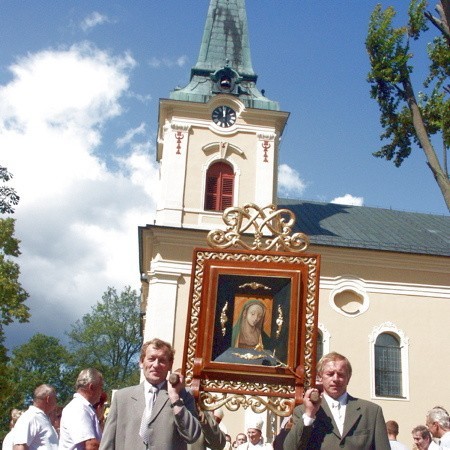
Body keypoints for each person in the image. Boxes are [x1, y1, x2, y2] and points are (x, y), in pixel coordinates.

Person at [99, 337, 201, 449]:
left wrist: (175, 398)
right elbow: (107, 442)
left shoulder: (184, 395)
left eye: (162, 360)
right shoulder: (122, 398)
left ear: (170, 365)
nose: (156, 365)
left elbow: (192, 436)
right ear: (141, 362)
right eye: (151, 359)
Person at [283, 351, 391, 449]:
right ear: (320, 377)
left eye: (341, 374)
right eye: (330, 374)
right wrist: (309, 415)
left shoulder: (371, 412)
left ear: (348, 378)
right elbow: (290, 448)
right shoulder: (303, 411)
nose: (335, 379)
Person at [59, 368, 104, 450]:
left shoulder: (83, 407)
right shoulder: (79, 408)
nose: (102, 392)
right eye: (101, 387)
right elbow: (91, 445)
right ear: (91, 387)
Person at [12, 384, 58, 450]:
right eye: (55, 398)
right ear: (48, 399)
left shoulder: (42, 417)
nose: (56, 402)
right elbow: (19, 447)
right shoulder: (30, 417)